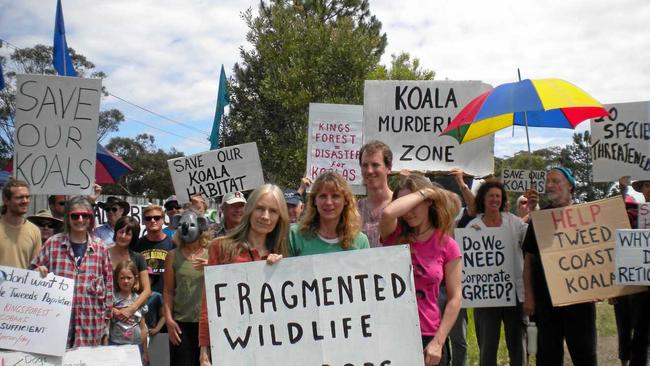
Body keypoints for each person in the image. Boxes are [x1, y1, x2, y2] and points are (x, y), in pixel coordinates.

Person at [198, 184, 289, 366]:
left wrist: (280, 271)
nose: (265, 216)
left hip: (271, 351)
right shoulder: (221, 247)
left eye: (273, 211)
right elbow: (209, 302)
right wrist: (204, 349)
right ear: (249, 210)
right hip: (230, 346)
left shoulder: (283, 255)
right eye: (260, 208)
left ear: (280, 218)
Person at [380, 174, 462, 366]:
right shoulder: (392, 235)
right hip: (391, 334)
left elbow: (455, 297)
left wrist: (438, 342)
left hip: (429, 338)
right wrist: (427, 191)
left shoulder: (447, 244)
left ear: (429, 203)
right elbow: (388, 213)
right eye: (404, 204)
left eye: (414, 203)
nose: (408, 212)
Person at [522, 167, 597, 365]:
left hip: (580, 300)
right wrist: (529, 296)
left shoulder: (586, 215)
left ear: (570, 186)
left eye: (556, 181)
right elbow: (528, 258)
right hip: (545, 303)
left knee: (585, 354)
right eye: (548, 181)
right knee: (547, 357)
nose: (549, 185)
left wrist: (601, 286)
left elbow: (599, 254)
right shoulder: (539, 219)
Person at [32, 195, 113, 348]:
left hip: (91, 326)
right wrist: (38, 271)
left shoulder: (101, 248)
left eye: (85, 215)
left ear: (90, 218)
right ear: (67, 218)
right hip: (56, 325)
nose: (80, 219)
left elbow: (108, 285)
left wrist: (106, 324)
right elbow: (31, 276)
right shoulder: (53, 243)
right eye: (75, 215)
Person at [467, 180, 527, 366]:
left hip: (514, 295)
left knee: (518, 346)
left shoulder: (514, 222)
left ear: (502, 200)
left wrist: (532, 212)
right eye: (491, 196)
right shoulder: (473, 226)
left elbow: (531, 240)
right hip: (486, 297)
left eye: (498, 196)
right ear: (483, 199)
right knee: (487, 347)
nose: (495, 199)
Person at [164, 208, 210, 366]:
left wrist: (212, 267)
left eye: (190, 224)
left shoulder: (211, 254)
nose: (186, 229)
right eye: (183, 224)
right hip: (181, 324)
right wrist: (169, 320)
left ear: (201, 226)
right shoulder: (172, 256)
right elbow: (168, 291)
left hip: (206, 324)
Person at [612, 176, 650, 366]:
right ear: (642, 189)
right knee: (640, 333)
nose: (649, 189)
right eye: (646, 185)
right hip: (640, 285)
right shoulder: (635, 216)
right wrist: (621, 189)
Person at [289, 171, 370, 256]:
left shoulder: (361, 242)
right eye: (323, 196)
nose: (328, 202)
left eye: (335, 196)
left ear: (346, 200)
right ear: (314, 201)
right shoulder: (294, 236)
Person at [132, 204, 174, 332]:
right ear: (144, 221)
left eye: (157, 217)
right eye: (148, 218)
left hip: (168, 304)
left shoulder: (173, 244)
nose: (153, 221)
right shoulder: (137, 245)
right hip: (144, 303)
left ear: (163, 219)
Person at [108, 216, 152, 327]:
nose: (123, 236)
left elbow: (147, 290)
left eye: (128, 234)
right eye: (121, 232)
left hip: (133, 317)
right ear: (115, 232)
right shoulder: (103, 254)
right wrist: (113, 310)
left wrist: (131, 309)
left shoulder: (138, 258)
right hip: (108, 314)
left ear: (133, 237)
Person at [109, 260, 149, 366]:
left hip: (136, 346)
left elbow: (143, 328)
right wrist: (114, 311)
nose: (125, 281)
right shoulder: (112, 299)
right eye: (122, 278)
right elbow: (105, 319)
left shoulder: (139, 300)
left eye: (129, 278)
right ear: (116, 279)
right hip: (116, 345)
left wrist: (145, 352)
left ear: (135, 278)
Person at [357, 140, 393, 247]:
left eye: (375, 165)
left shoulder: (401, 204)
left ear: (389, 168)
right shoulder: (353, 210)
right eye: (364, 165)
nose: (369, 171)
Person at [0, 179, 41, 268]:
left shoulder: (34, 231)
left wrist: (40, 271)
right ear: (6, 200)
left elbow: (35, 266)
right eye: (19, 197)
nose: (25, 201)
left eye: (27, 197)